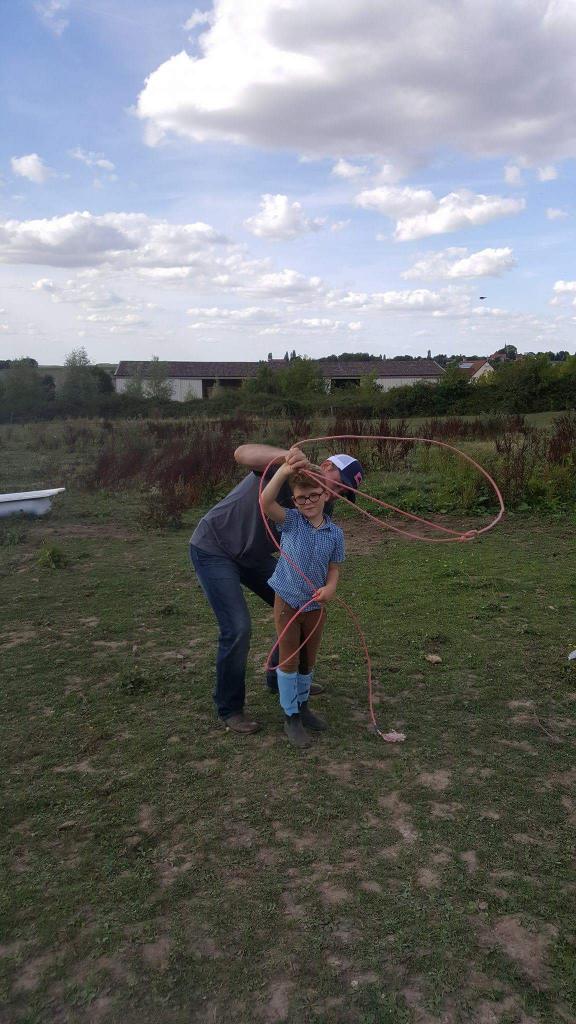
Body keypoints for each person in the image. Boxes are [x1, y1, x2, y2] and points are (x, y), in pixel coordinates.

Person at [189, 443, 363, 734]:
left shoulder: (323, 501)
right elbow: (241, 452)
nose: (338, 494)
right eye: (341, 485)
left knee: (303, 608)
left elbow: (315, 544)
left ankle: (281, 675)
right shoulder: (286, 469)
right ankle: (230, 707)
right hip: (214, 548)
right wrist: (287, 458)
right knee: (238, 627)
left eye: (345, 493)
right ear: (328, 467)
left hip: (253, 557)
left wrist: (326, 583)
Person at [261, 465, 345, 748]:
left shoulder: (335, 534)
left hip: (314, 605)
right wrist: (284, 471)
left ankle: (304, 706)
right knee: (289, 658)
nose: (307, 502)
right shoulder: (291, 521)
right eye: (300, 498)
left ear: (325, 495)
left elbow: (334, 568)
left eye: (313, 495)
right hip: (287, 600)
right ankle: (291, 716)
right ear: (294, 500)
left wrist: (331, 587)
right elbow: (266, 501)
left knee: (309, 659)